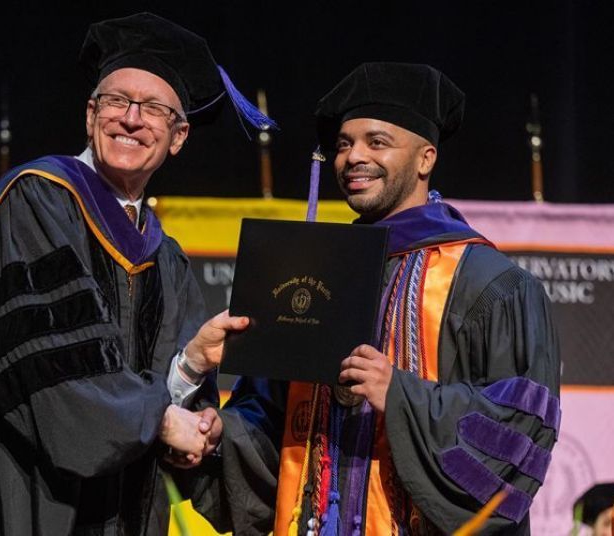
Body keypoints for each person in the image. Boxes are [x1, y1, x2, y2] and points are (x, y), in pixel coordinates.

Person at [0, 12, 268, 536]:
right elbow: (51, 379)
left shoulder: (165, 258)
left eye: (152, 109)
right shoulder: (34, 203)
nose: (130, 119)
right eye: (116, 101)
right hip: (25, 501)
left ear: (179, 135)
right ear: (90, 114)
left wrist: (191, 373)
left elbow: (148, 403)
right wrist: (164, 422)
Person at [189, 62, 561, 535]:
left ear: (425, 158)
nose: (353, 157)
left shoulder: (489, 282)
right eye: (344, 144)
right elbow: (269, 421)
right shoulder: (312, 274)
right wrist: (221, 436)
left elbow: (520, 435)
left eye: (376, 141)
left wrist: (401, 395)